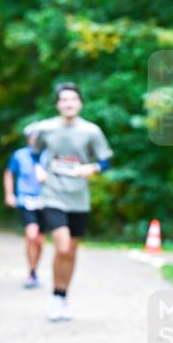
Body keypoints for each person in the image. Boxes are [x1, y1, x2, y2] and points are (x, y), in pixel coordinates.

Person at [22, 82, 113, 321]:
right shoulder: (46, 128)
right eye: (64, 100)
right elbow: (32, 152)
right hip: (53, 194)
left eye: (73, 99)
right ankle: (54, 297)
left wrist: (92, 168)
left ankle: (63, 296)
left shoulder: (91, 131)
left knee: (71, 251)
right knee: (61, 246)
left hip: (79, 198)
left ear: (80, 103)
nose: (68, 103)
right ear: (57, 105)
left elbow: (106, 160)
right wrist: (38, 168)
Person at [4, 132, 50, 288]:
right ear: (28, 139)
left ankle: (34, 270)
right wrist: (9, 194)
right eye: (33, 138)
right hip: (26, 199)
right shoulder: (19, 155)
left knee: (40, 240)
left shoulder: (48, 155)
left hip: (45, 200)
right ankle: (31, 272)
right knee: (31, 235)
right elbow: (9, 173)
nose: (35, 141)